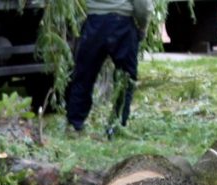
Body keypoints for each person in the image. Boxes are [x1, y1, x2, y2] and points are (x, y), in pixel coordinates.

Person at [65, 0, 153, 133]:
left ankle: (74, 123)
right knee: (126, 78)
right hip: (122, 23)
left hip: (94, 22)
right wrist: (143, 27)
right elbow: (143, 5)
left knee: (84, 75)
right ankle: (118, 123)